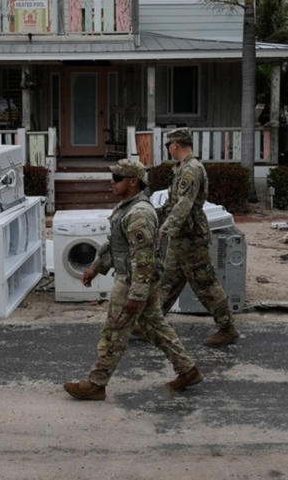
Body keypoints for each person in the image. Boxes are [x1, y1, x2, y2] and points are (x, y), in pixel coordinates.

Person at [63, 159, 203, 400]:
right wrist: (96, 267)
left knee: (114, 333)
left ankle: (96, 384)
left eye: (117, 179)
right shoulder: (127, 207)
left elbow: (144, 258)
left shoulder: (139, 213)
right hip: (138, 280)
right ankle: (188, 370)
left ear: (133, 181)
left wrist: (136, 295)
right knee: (156, 328)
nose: (112, 183)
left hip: (133, 281)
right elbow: (118, 245)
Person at [154, 127, 241, 347]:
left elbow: (184, 204)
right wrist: (156, 217)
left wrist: (166, 228)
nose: (169, 150)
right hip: (182, 236)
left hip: (191, 236)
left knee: (206, 283)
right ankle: (151, 322)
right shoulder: (183, 168)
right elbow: (173, 203)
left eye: (169, 146)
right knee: (168, 281)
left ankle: (227, 327)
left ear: (175, 145)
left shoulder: (191, 170)